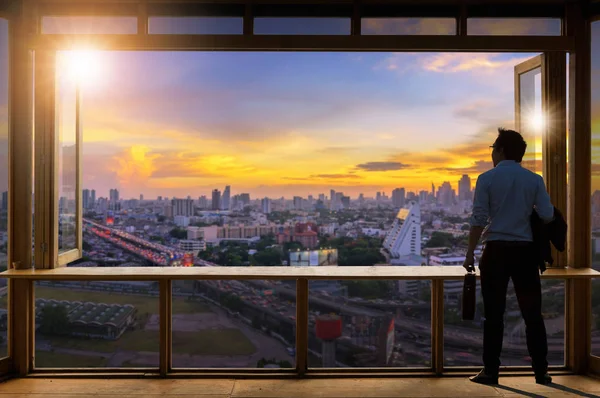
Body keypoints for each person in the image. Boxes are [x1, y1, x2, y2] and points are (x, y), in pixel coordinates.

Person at [463, 128, 554, 386]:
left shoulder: (486, 178)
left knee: (494, 315)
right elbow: (547, 215)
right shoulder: (534, 180)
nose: (491, 153)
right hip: (525, 253)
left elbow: (479, 218)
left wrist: (470, 252)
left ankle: (491, 372)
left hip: (496, 252)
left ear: (501, 150)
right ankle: (541, 372)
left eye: (493, 148)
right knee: (532, 314)